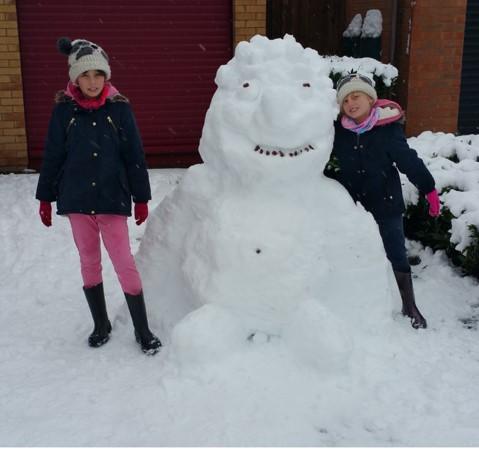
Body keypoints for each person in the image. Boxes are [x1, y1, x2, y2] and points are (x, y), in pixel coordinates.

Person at [35, 37, 162, 354]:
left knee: (123, 263)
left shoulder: (118, 110)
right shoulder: (64, 112)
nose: (92, 82)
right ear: (74, 78)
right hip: (77, 201)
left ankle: (142, 329)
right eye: (85, 75)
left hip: (111, 201)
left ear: (106, 77)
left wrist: (141, 197)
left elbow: (134, 155)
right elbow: (53, 155)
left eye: (98, 75)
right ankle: (100, 323)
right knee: (89, 262)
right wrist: (45, 197)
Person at [325, 73, 441, 329]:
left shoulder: (388, 130)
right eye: (345, 100)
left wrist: (428, 188)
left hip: (385, 203)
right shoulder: (337, 132)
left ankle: (409, 304)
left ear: (370, 99)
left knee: (396, 252)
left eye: (356, 97)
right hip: (351, 205)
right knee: (349, 254)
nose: (351, 103)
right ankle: (352, 301)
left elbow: (408, 160)